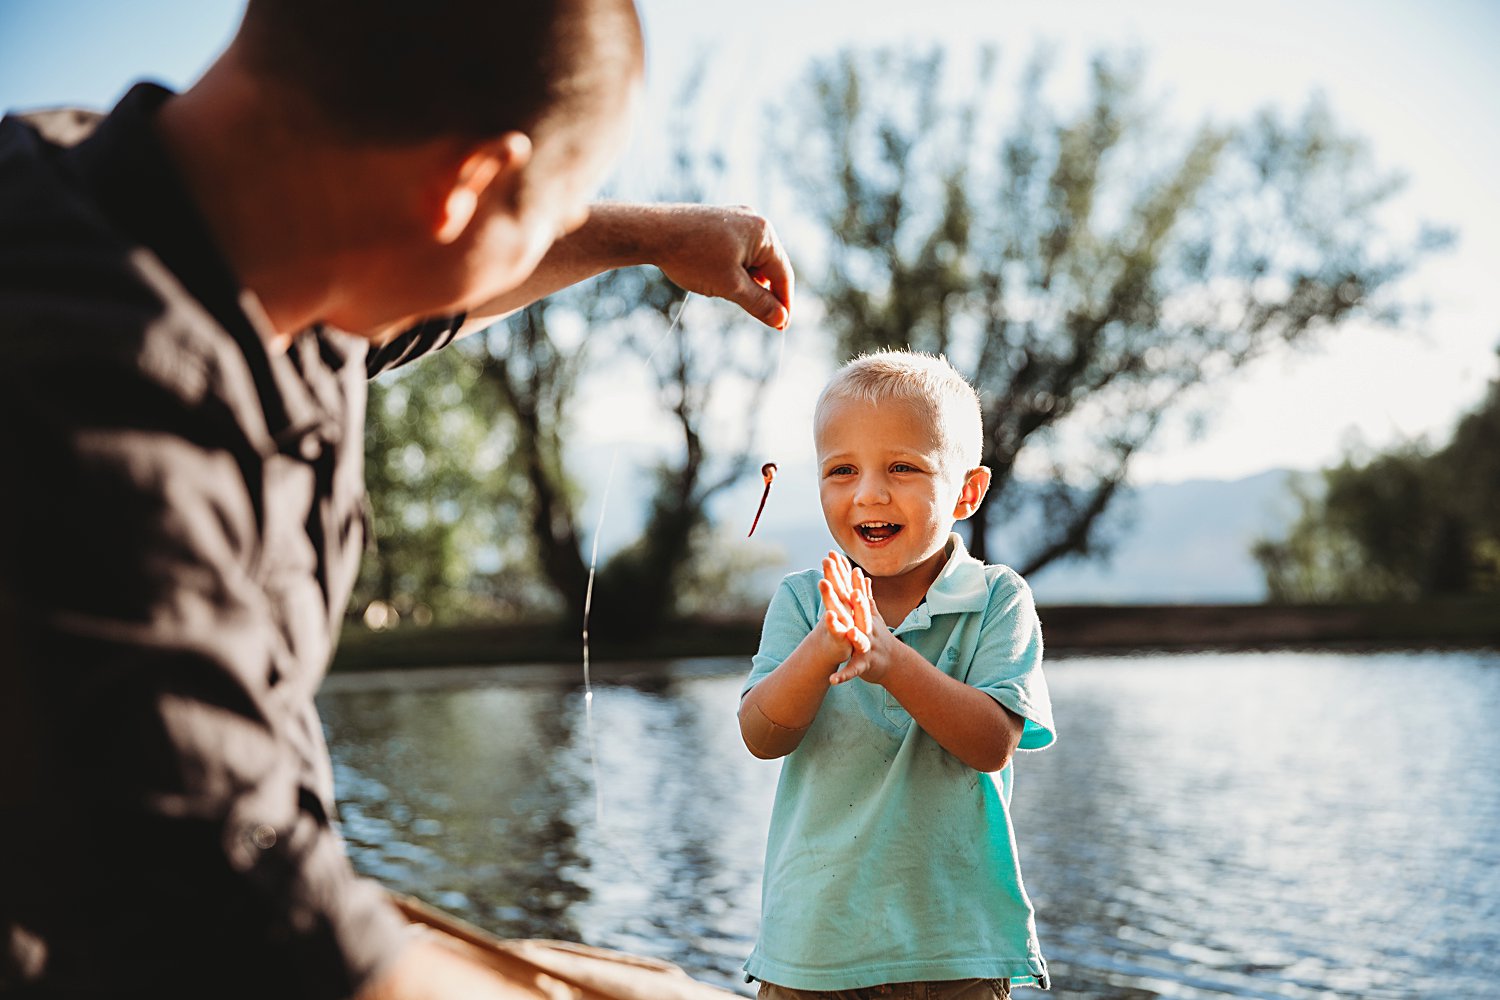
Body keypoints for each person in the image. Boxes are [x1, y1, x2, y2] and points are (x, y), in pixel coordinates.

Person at [0, 0, 792, 997]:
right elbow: (237, 923)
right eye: (549, 206)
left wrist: (647, 235)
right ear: (466, 184)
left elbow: (410, 283)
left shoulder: (255, 242)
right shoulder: (89, 410)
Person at [737, 351, 1056, 998]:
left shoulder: (998, 600)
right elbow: (762, 736)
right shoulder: (805, 602)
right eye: (842, 470)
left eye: (903, 468)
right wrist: (825, 645)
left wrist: (888, 660)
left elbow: (992, 743)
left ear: (967, 490)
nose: (869, 493)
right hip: (814, 949)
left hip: (953, 951)